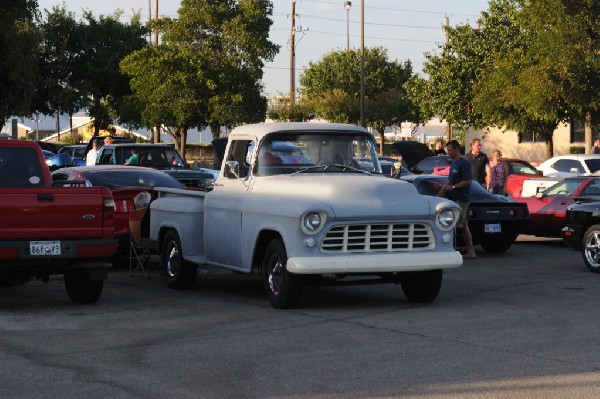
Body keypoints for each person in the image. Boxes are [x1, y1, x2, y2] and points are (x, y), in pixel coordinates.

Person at [438, 139, 476, 259]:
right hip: (452, 198)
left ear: (456, 150)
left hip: (462, 199)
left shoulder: (463, 163)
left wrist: (453, 187)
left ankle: (449, 249)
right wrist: (440, 193)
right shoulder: (453, 163)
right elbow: (449, 180)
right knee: (463, 225)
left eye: (450, 150)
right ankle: (471, 251)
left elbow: (468, 180)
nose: (448, 152)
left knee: (454, 224)